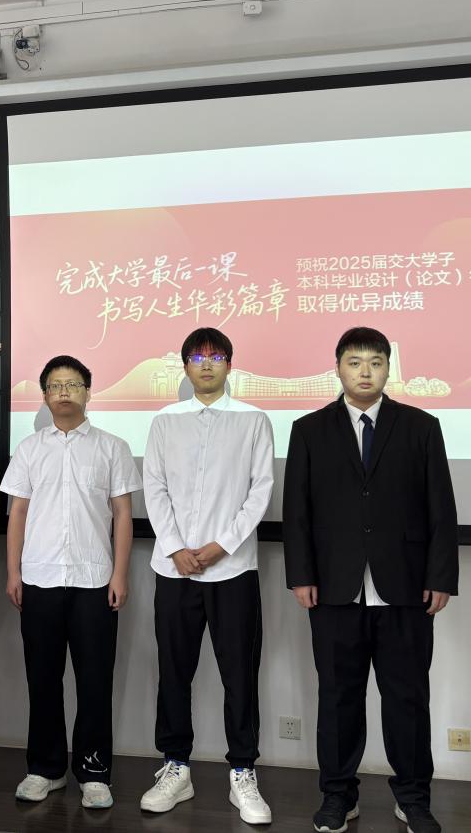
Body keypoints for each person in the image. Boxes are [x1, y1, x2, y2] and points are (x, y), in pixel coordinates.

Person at [283, 326, 458, 833]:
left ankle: (413, 797)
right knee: (338, 697)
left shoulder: (421, 427)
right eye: (355, 362)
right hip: (333, 587)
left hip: (405, 587)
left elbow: (441, 509)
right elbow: (297, 511)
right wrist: (301, 575)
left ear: (388, 369)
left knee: (407, 698)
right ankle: (338, 795)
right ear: (338, 368)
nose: (365, 371)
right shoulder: (309, 430)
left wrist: (440, 576)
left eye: (376, 362)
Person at [140, 327, 275, 825]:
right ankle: (176, 767)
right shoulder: (164, 422)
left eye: (216, 356)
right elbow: (154, 487)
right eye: (197, 357)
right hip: (173, 570)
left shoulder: (253, 420)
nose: (207, 364)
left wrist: (221, 546)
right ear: (185, 367)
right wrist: (176, 548)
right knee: (174, 671)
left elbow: (260, 491)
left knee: (239, 674)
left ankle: (242, 771)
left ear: (229, 365)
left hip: (232, 569)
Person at [1, 355, 140, 811]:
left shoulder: (112, 447)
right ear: (44, 395)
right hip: (39, 578)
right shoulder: (29, 449)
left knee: (95, 680)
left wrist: (120, 574)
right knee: (42, 679)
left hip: (94, 580)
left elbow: (123, 514)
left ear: (88, 392)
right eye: (56, 385)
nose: (64, 392)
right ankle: (45, 769)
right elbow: (18, 513)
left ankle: (94, 772)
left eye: (73, 384)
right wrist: (14, 572)